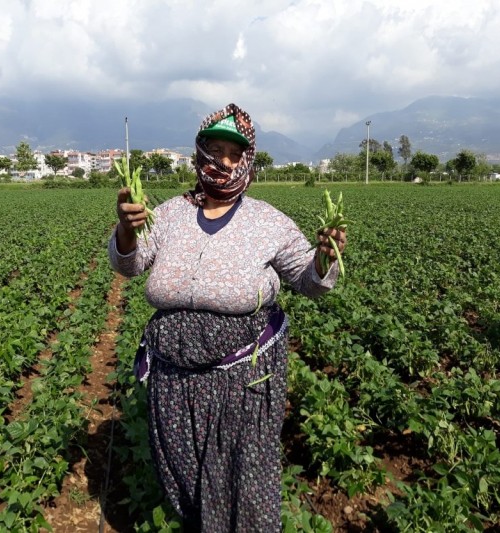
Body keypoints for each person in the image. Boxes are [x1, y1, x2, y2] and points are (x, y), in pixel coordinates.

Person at [108, 103, 346, 532]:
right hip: (174, 381)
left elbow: (308, 282)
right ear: (199, 153)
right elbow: (129, 264)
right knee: (185, 481)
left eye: (234, 153)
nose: (224, 161)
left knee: (244, 481)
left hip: (243, 382)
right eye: (215, 150)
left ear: (248, 159)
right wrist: (126, 230)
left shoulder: (267, 221)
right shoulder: (167, 215)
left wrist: (325, 259)